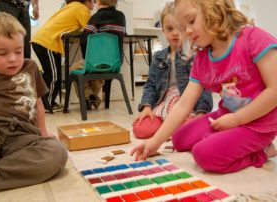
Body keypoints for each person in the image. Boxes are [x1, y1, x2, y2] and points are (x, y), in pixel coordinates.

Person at [131, 0, 277, 173]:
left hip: (258, 124)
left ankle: (262, 151)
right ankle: (228, 139)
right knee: (178, 138)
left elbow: (274, 91)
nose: (188, 31)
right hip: (227, 116)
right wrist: (155, 142)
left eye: (191, 21)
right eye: (184, 27)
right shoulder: (202, 58)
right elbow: (184, 104)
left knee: (204, 155)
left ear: (215, 8)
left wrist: (237, 120)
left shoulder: (253, 38)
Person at [0, 12, 67, 193]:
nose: (13, 59)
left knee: (56, 153)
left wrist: (43, 133)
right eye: (2, 53)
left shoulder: (30, 67)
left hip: (23, 135)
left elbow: (38, 105)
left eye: (19, 51)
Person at [132, 2, 212, 139]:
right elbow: (150, 85)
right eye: (169, 29)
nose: (175, 33)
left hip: (187, 106)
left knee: (190, 128)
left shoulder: (195, 57)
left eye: (180, 28)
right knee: (140, 130)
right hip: (164, 104)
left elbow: (205, 87)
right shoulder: (158, 57)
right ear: (162, 30)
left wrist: (201, 112)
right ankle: (170, 127)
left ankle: (174, 128)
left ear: (187, 28)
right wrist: (147, 107)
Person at [31, 0, 95, 113]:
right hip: (47, 42)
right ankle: (47, 104)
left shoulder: (71, 6)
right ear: (88, 1)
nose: (94, 4)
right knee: (53, 75)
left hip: (47, 41)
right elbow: (89, 30)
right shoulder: (82, 9)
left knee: (56, 74)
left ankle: (49, 102)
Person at [70, 0, 126, 110]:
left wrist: (86, 58)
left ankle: (89, 97)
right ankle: (91, 98)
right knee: (99, 76)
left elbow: (85, 39)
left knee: (75, 69)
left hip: (96, 63)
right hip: (115, 63)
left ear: (98, 2)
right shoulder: (121, 17)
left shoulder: (96, 17)